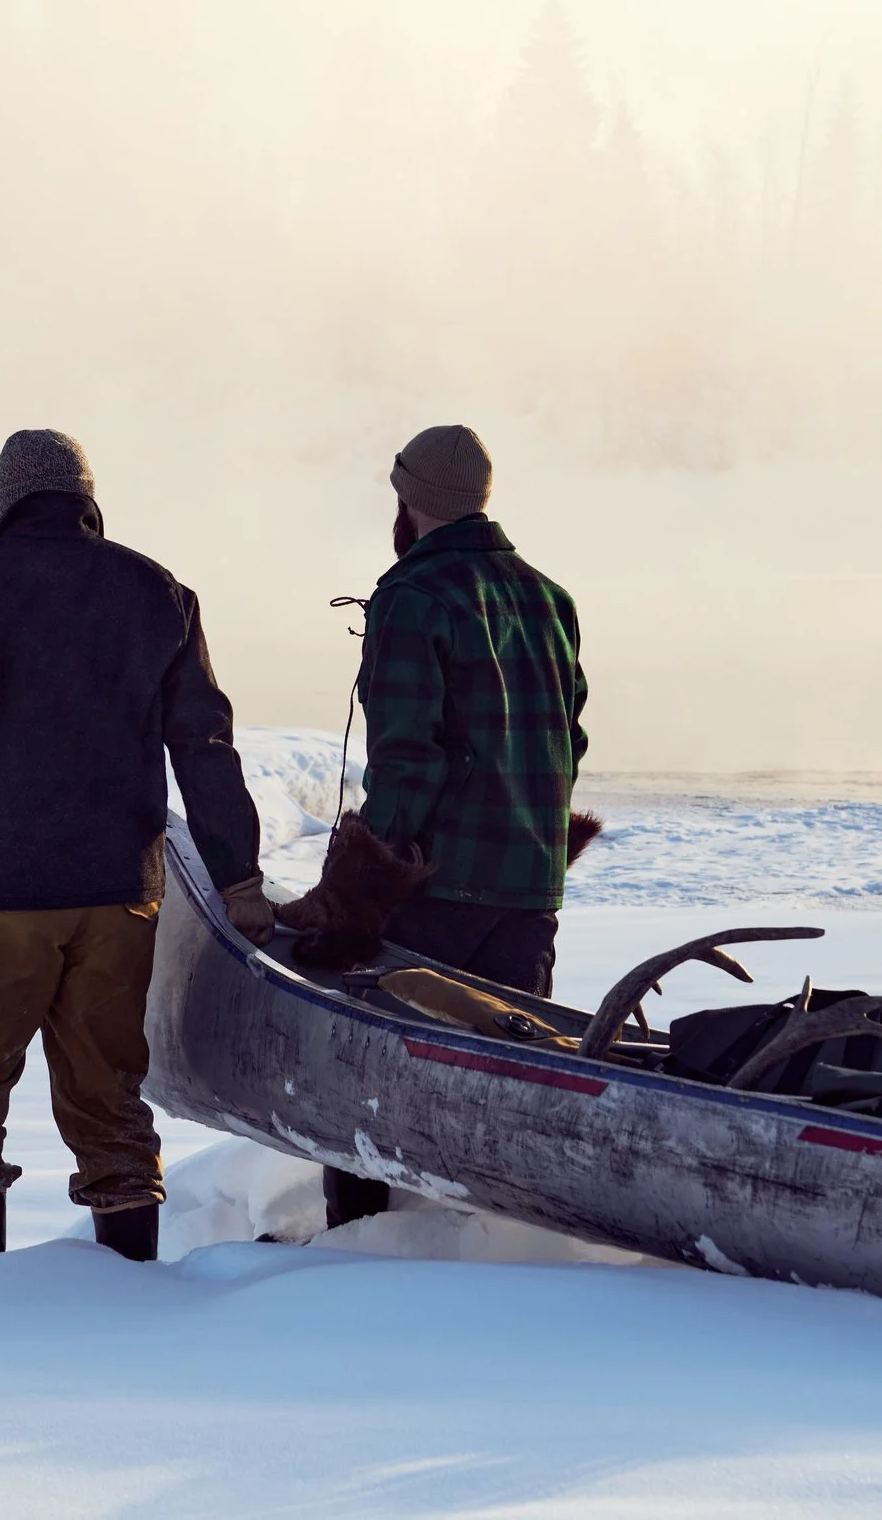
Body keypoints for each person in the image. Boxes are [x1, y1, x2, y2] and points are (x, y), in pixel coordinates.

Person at [0, 429, 276, 1263]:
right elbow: (205, 748)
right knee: (109, 1101)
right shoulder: (157, 592)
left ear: (6, 501)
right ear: (87, 499)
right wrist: (241, 879)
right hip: (117, 893)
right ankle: (129, 1285)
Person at [290, 424, 588, 1227]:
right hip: (528, 888)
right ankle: (489, 1254)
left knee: (365, 1083)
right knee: (505, 1090)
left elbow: (408, 760)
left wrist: (359, 884)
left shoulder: (412, 598)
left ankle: (357, 1251)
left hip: (435, 892)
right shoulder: (549, 598)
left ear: (408, 500)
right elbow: (572, 738)